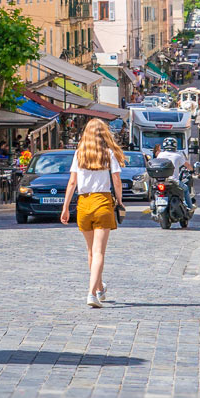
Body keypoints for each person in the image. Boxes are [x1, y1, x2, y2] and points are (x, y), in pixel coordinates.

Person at [60, 118, 126, 308]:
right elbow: (117, 181)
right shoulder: (108, 153)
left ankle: (99, 288)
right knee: (99, 252)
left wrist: (65, 207)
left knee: (90, 251)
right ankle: (91, 293)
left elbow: (72, 182)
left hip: (83, 203)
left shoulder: (79, 153)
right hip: (102, 201)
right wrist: (120, 201)